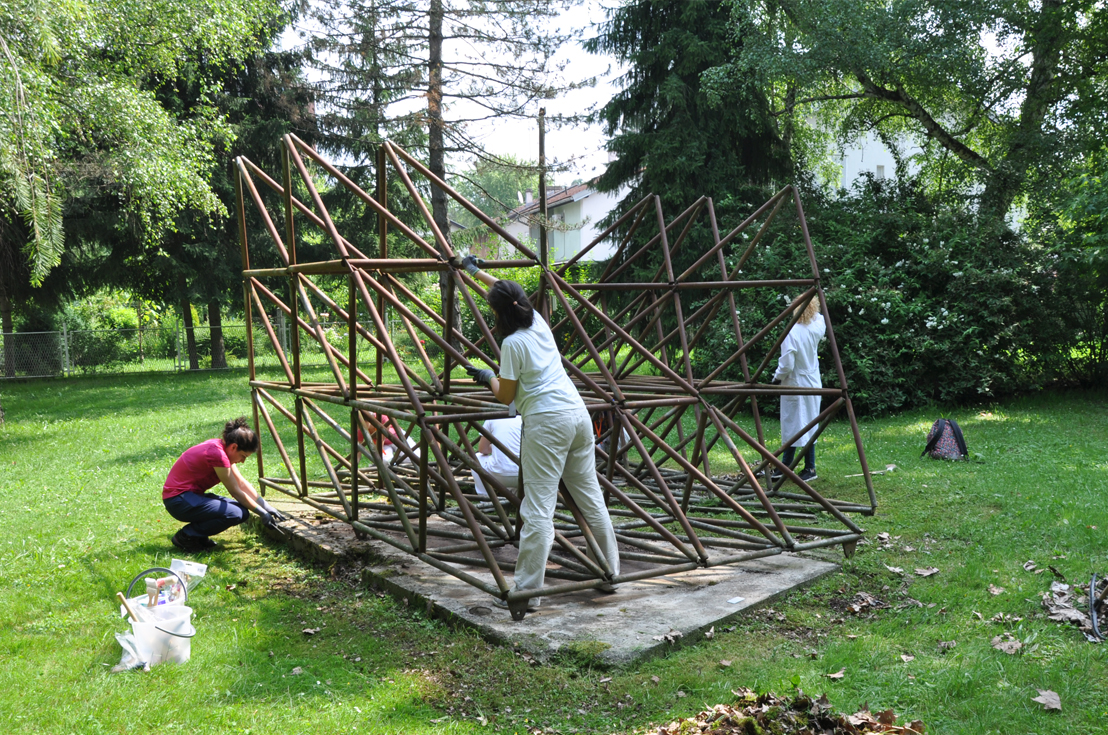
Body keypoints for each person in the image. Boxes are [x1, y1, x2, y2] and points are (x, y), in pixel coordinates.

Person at [460, 255, 620, 611]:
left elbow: (507, 395)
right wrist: (474, 272)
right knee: (591, 498)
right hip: (577, 415)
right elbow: (507, 292)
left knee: (538, 510)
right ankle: (611, 572)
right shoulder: (540, 324)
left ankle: (527, 593)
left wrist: (487, 377)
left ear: (499, 314)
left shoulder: (513, 343)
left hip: (548, 424)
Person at [162, 417, 287, 552]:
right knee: (235, 513)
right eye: (243, 456)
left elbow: (241, 483)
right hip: (178, 501)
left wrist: (266, 506)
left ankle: (199, 536)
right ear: (234, 447)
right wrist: (263, 514)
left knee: (241, 511)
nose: (243, 461)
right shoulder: (217, 455)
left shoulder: (221, 449)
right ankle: (186, 536)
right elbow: (236, 492)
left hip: (188, 497)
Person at [772, 296, 826, 482]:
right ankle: (796, 467)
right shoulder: (817, 325)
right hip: (812, 380)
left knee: (794, 425)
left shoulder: (792, 332)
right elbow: (819, 318)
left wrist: (776, 378)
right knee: (808, 423)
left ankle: (798, 467)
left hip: (796, 382)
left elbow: (787, 364)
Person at [472, 415, 522, 497]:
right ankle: (517, 497)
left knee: (477, 458)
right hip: (525, 477)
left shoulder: (493, 418)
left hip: (498, 475)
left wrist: (497, 448)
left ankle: (485, 498)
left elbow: (482, 449)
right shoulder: (526, 418)